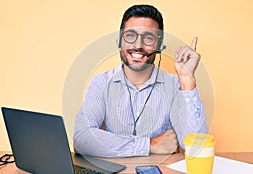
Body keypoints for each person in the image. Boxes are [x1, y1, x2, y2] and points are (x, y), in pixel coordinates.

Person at [73, 4, 208, 157]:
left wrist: (187, 81)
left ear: (159, 46)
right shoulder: (101, 82)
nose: (138, 45)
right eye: (130, 36)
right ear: (119, 42)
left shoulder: (176, 85)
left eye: (148, 38)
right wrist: (150, 144)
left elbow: (197, 148)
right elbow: (82, 139)